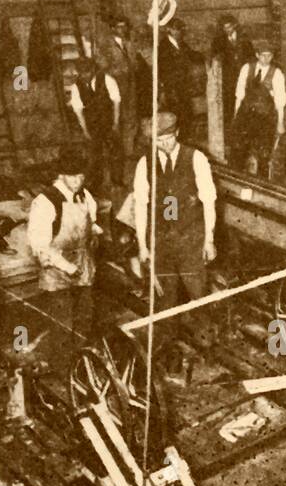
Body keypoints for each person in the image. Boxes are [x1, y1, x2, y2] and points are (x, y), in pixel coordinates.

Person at [133, 112, 218, 312]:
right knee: (165, 297)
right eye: (159, 141)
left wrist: (209, 239)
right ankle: (168, 338)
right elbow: (140, 206)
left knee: (198, 294)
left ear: (177, 133)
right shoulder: (144, 164)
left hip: (191, 239)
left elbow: (208, 201)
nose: (166, 145)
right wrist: (142, 246)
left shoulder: (196, 158)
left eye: (169, 139)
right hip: (161, 242)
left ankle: (205, 336)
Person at [27, 147, 102, 348]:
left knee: (84, 318)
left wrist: (95, 231)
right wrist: (67, 267)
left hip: (83, 264)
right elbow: (39, 246)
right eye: (72, 176)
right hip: (57, 270)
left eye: (81, 176)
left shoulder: (85, 196)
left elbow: (90, 222)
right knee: (62, 323)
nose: (78, 181)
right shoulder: (45, 201)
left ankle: (82, 362)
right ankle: (63, 370)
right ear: (61, 175)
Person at [231, 35, 286, 176]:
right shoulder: (246, 68)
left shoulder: (277, 73)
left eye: (269, 56)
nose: (266, 59)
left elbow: (280, 101)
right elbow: (239, 94)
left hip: (264, 117)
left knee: (263, 152)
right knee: (239, 149)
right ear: (257, 55)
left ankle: (262, 181)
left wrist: (280, 123)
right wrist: (236, 116)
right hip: (246, 115)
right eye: (263, 56)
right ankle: (237, 177)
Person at [68, 59, 122, 191]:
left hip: (109, 121)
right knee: (94, 154)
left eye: (87, 72)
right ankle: (97, 184)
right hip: (93, 124)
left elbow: (116, 101)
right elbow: (78, 110)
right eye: (81, 73)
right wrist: (85, 130)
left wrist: (115, 122)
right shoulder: (76, 87)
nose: (84, 75)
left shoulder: (107, 79)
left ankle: (117, 182)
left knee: (115, 152)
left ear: (93, 70)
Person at [99, 16, 138, 161]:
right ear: (113, 28)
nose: (123, 29)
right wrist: (120, 72)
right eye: (120, 27)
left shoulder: (129, 44)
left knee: (131, 115)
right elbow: (103, 66)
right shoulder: (104, 46)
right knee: (116, 117)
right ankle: (116, 151)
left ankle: (129, 151)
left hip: (130, 83)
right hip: (115, 84)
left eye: (125, 26)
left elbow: (135, 63)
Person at [210, 14, 255, 136]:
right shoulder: (218, 41)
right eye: (224, 28)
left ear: (235, 25)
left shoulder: (244, 39)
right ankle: (230, 130)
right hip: (228, 80)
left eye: (229, 27)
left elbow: (251, 57)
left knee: (244, 101)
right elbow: (215, 57)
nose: (227, 30)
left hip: (243, 77)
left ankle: (244, 129)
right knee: (229, 103)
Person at [158, 18, 200, 132]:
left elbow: (192, 55)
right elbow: (162, 70)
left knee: (186, 114)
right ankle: (178, 138)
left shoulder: (181, 44)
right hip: (172, 89)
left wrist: (205, 56)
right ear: (169, 30)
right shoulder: (163, 47)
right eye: (176, 30)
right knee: (176, 115)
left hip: (183, 87)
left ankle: (184, 139)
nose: (179, 32)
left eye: (181, 30)